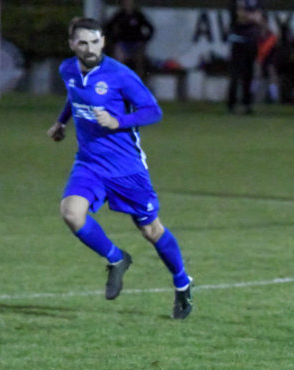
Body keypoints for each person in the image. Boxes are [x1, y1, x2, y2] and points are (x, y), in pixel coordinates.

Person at [47, 18, 193, 319]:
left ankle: (182, 283)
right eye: (83, 43)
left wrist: (119, 122)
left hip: (126, 168)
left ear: (103, 41)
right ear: (72, 45)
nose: (90, 49)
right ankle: (116, 258)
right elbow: (75, 95)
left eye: (95, 42)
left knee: (151, 230)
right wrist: (61, 122)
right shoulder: (67, 69)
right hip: (89, 163)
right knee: (71, 213)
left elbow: (153, 111)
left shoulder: (120, 75)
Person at [227, 0, 264, 114]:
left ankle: (246, 104)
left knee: (249, 75)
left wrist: (247, 16)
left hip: (251, 41)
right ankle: (232, 104)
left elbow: (259, 18)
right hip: (237, 41)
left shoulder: (257, 2)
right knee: (235, 74)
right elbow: (239, 16)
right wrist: (252, 16)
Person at [104, 0, 153, 79]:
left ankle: (138, 80)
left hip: (136, 43)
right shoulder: (119, 15)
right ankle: (119, 79)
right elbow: (108, 27)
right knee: (118, 58)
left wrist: (144, 40)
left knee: (140, 61)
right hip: (122, 43)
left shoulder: (138, 15)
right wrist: (114, 39)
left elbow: (150, 28)